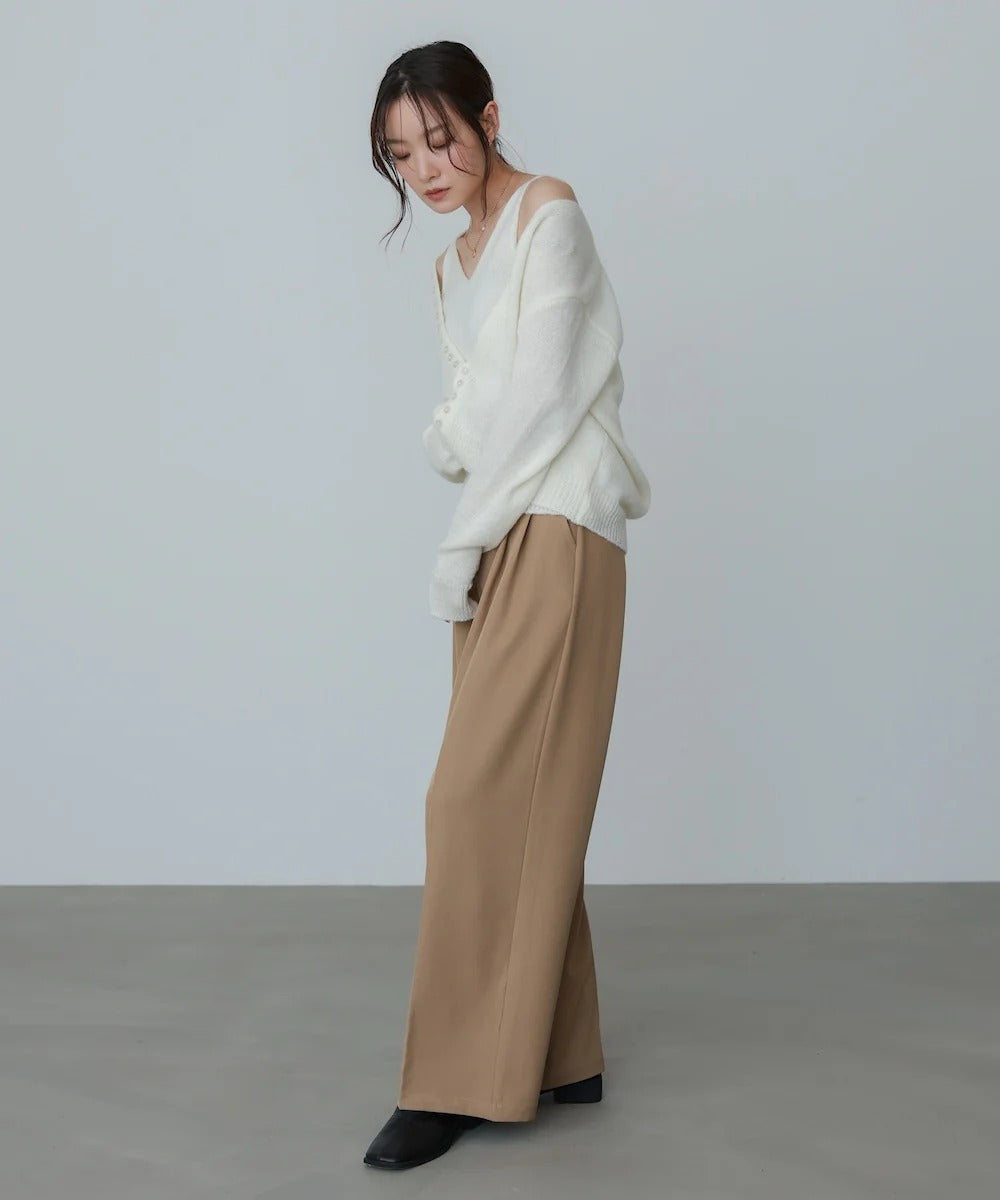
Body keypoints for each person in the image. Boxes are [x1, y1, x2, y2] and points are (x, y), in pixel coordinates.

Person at [363, 40, 652, 1171]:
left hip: (559, 524)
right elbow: (464, 414)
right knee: (522, 796)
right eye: (402, 155)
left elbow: (534, 403)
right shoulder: (451, 269)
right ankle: (562, 1052)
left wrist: (460, 532)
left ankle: (454, 1081)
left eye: (440, 139)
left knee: (472, 800)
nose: (427, 169)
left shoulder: (549, 217)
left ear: (487, 118)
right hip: (494, 534)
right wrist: (466, 468)